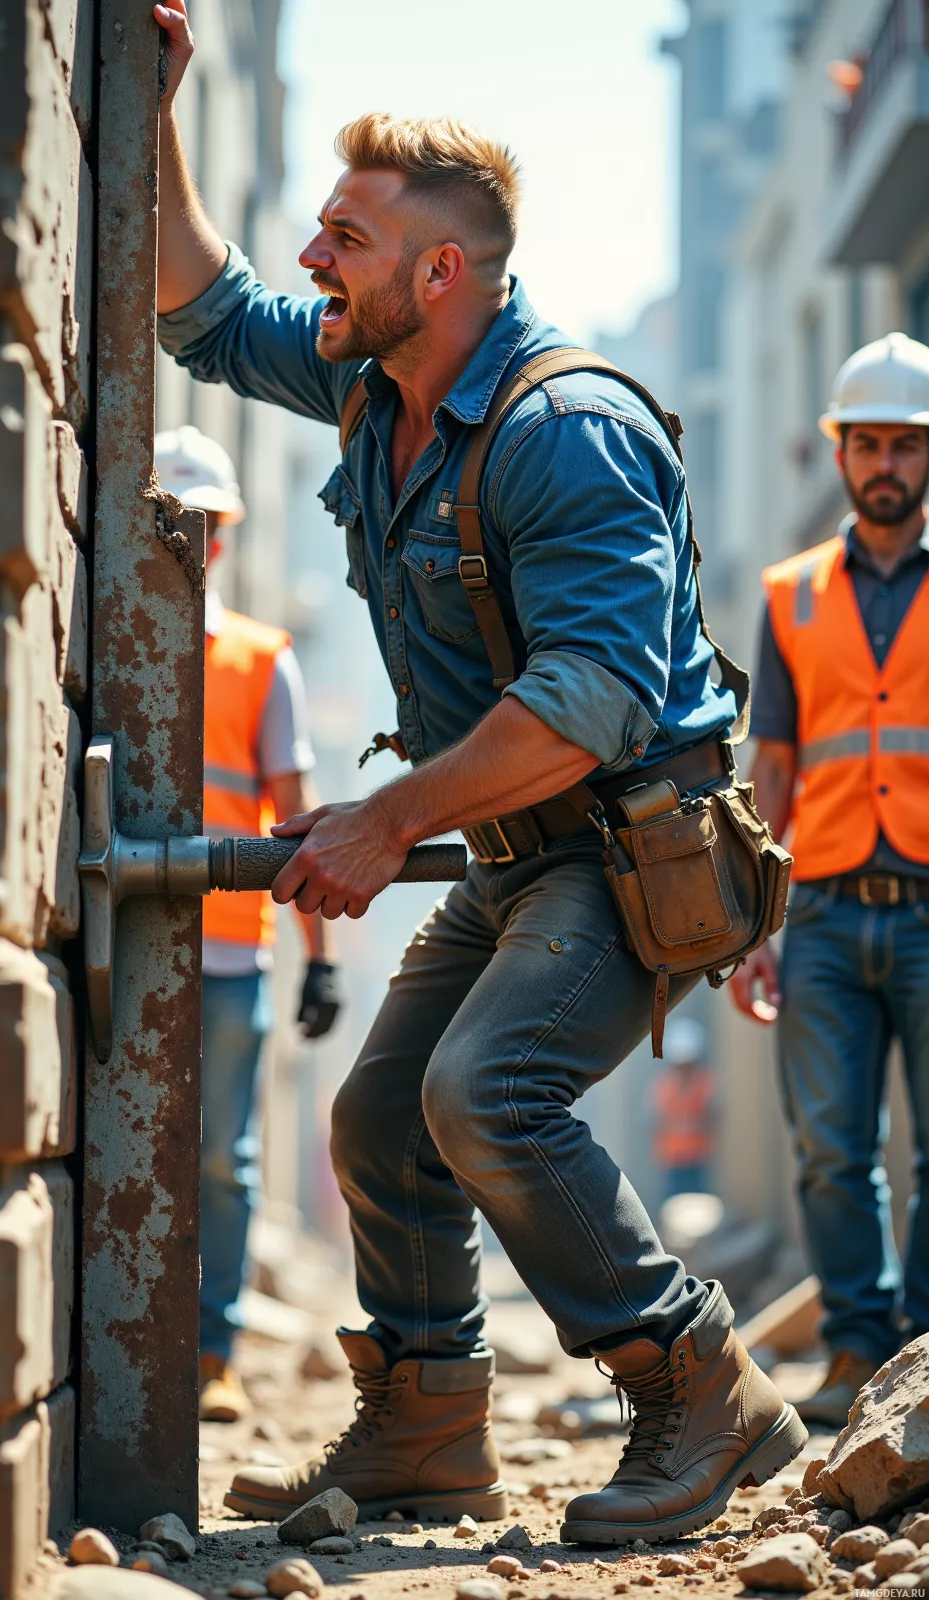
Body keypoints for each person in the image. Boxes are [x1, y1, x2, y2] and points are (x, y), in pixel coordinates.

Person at [152, 0, 804, 1543]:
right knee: (380, 1120)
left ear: (438, 274)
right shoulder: (380, 384)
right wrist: (160, 101)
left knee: (486, 1093)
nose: (314, 260)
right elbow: (205, 311)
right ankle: (430, 1429)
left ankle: (697, 1388)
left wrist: (388, 815)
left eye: (346, 238)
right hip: (518, 844)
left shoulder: (563, 429)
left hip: (619, 845)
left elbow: (587, 703)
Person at [731, 332, 929, 1427]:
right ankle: (858, 1348)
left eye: (906, 442)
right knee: (828, 1151)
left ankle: (927, 1354)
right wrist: (755, 921)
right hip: (823, 911)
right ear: (840, 453)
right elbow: (772, 767)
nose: (886, 461)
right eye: (869, 443)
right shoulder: (792, 594)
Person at [154, 423, 344, 1423]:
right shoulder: (112, 644)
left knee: (222, 1164)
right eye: (169, 518)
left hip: (229, 949)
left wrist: (320, 962)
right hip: (126, 943)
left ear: (223, 534)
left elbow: (302, 823)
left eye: (200, 521)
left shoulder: (262, 659)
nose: (186, 538)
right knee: (134, 1143)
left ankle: (211, 1352)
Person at [650, 1017, 719, 1199]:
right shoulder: (665, 1085)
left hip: (698, 1159)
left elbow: (714, 1116)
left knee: (700, 1207)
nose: (684, 1070)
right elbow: (656, 1121)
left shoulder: (705, 1083)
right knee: (674, 1206)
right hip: (672, 1160)